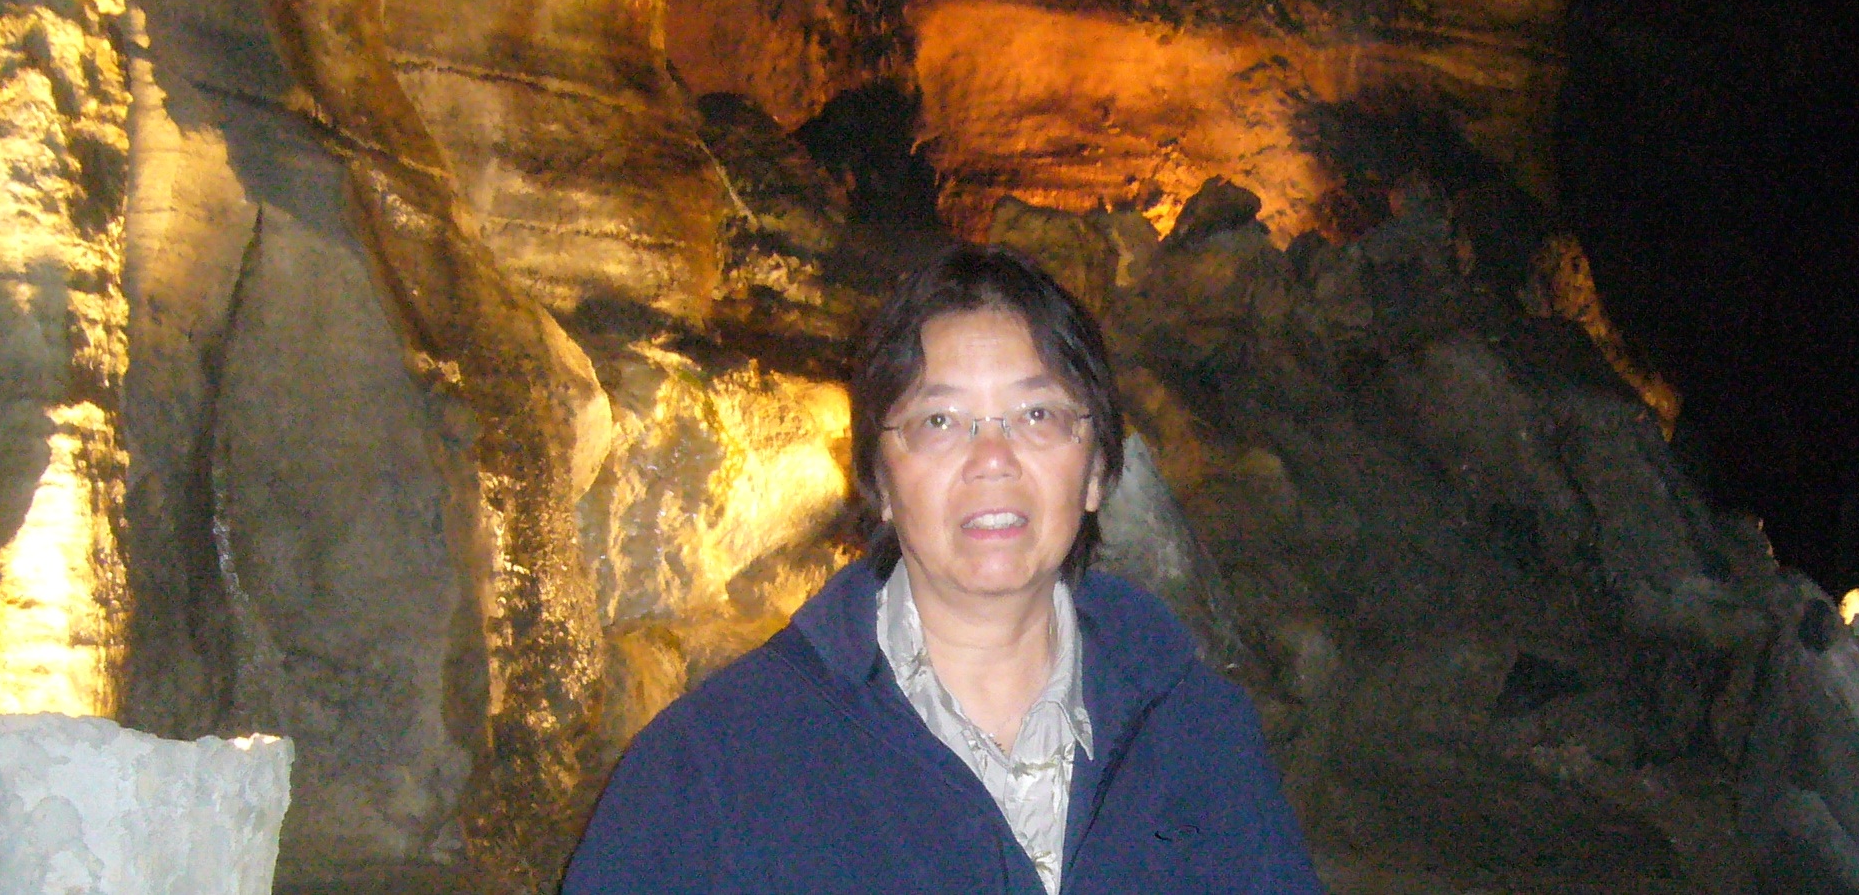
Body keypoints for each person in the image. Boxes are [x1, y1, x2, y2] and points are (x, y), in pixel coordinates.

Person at [563, 244, 1322, 894]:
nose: (991, 459)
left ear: (1095, 472)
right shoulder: (716, 764)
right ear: (879, 481)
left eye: (1036, 415)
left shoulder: (1197, 731)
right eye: (938, 421)